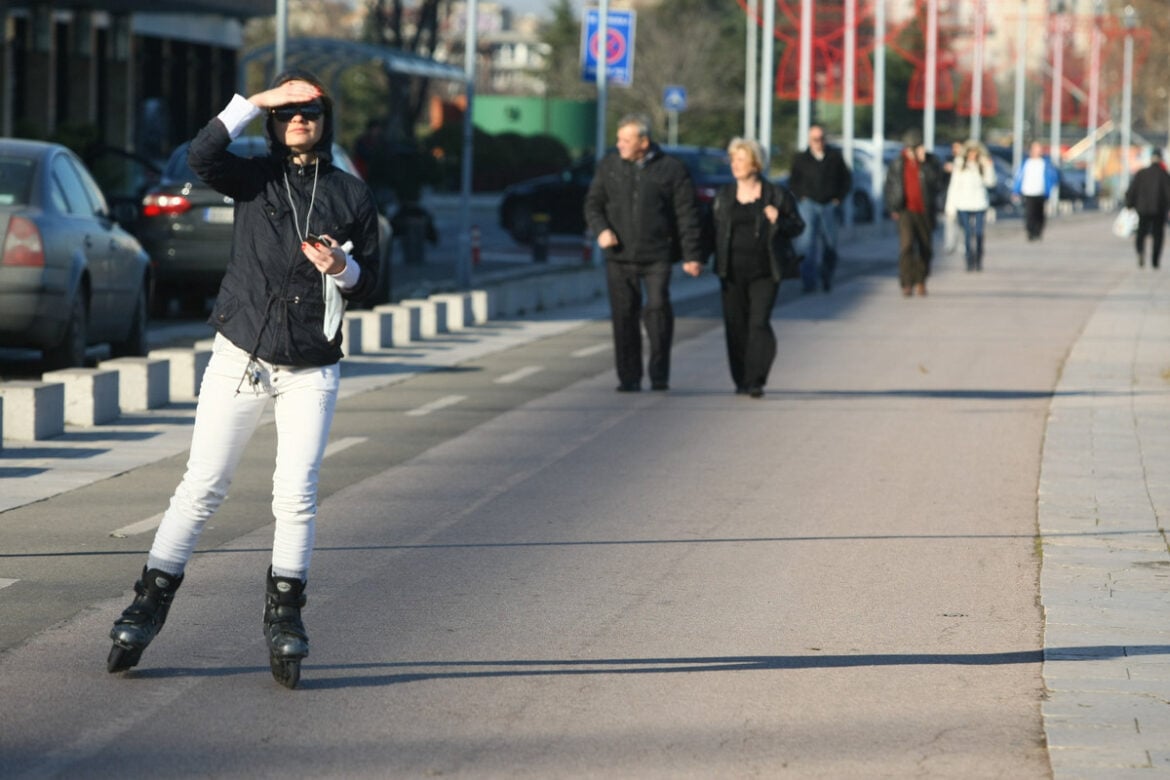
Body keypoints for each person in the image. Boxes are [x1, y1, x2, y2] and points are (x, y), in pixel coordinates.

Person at [106, 68, 382, 689]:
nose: (298, 118)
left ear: (324, 118)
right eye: (286, 110)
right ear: (273, 121)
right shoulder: (255, 176)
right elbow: (203, 155)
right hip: (241, 355)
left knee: (297, 492)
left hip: (311, 364)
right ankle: (147, 602)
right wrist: (253, 100)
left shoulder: (350, 195)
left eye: (309, 108)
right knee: (202, 484)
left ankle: (285, 613)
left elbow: (374, 284)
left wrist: (343, 267)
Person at [584, 113, 704, 392]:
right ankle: (629, 377)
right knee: (624, 315)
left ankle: (659, 373)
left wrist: (692, 255)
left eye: (626, 139)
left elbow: (687, 215)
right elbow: (593, 204)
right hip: (619, 255)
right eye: (618, 139)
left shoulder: (671, 169)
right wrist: (601, 229)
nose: (619, 144)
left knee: (657, 309)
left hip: (657, 255)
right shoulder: (610, 166)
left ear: (644, 141)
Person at [707, 138, 804, 398]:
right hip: (731, 271)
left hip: (765, 270)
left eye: (740, 159)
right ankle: (741, 378)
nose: (734, 165)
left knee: (758, 323)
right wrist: (694, 257)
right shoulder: (724, 196)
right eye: (733, 159)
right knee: (736, 326)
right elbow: (710, 230)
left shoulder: (776, 195)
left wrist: (779, 219)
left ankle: (756, 379)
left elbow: (798, 226)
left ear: (756, 163)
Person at [787, 124, 852, 293]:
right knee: (807, 244)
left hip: (829, 204)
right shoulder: (801, 159)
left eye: (821, 138)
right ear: (809, 140)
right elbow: (793, 181)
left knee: (830, 244)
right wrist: (801, 196)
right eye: (815, 139)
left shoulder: (834, 157)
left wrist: (839, 198)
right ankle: (809, 281)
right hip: (808, 204)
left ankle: (826, 275)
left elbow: (846, 179)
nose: (819, 142)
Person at [884, 129, 943, 297]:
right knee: (907, 246)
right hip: (905, 210)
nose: (917, 151)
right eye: (914, 148)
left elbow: (937, 185)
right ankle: (906, 282)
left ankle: (921, 280)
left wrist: (925, 164)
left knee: (925, 247)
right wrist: (893, 207)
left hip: (925, 210)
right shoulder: (898, 163)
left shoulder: (931, 162)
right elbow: (890, 186)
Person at [944, 140, 998, 271]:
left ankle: (979, 259)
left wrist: (989, 167)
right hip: (963, 204)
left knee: (979, 233)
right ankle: (969, 260)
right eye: (970, 152)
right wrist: (950, 206)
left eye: (975, 152)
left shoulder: (982, 165)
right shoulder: (960, 165)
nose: (972, 155)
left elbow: (990, 183)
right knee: (967, 233)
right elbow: (954, 186)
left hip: (980, 204)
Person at [1124, 150, 1170, 269]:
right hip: (1159, 210)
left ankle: (1140, 252)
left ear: (1151, 159)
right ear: (1160, 159)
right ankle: (1155, 260)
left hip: (1142, 209)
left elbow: (1132, 190)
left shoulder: (1141, 173)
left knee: (1141, 232)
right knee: (1158, 235)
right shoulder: (1164, 174)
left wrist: (1129, 205)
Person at [1012, 141, 1059, 241]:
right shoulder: (1026, 163)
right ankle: (1030, 231)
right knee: (1029, 213)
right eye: (1036, 148)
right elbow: (1019, 177)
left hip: (1041, 191)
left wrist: (1050, 187)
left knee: (1039, 213)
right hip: (1028, 191)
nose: (1038, 150)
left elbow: (1053, 176)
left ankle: (1038, 231)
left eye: (1039, 148)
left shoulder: (1045, 163)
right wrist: (1016, 191)